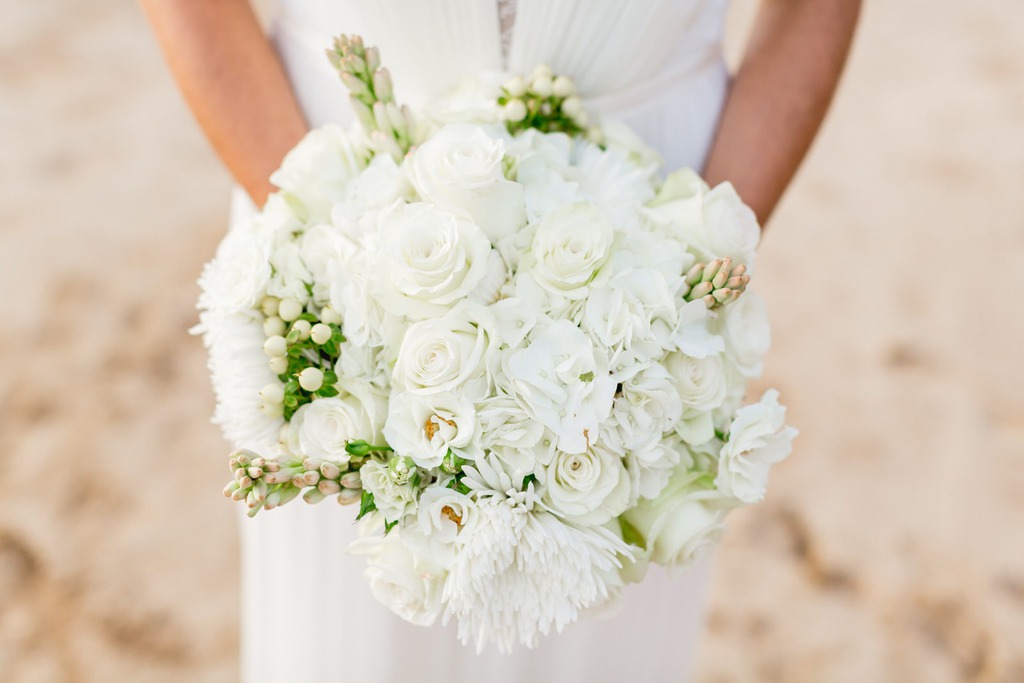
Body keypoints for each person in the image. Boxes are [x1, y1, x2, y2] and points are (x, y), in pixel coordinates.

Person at [142, 1, 860, 681]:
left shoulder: (667, 285)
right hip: (328, 229)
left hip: (655, 236)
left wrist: (686, 268)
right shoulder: (326, 258)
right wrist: (329, 244)